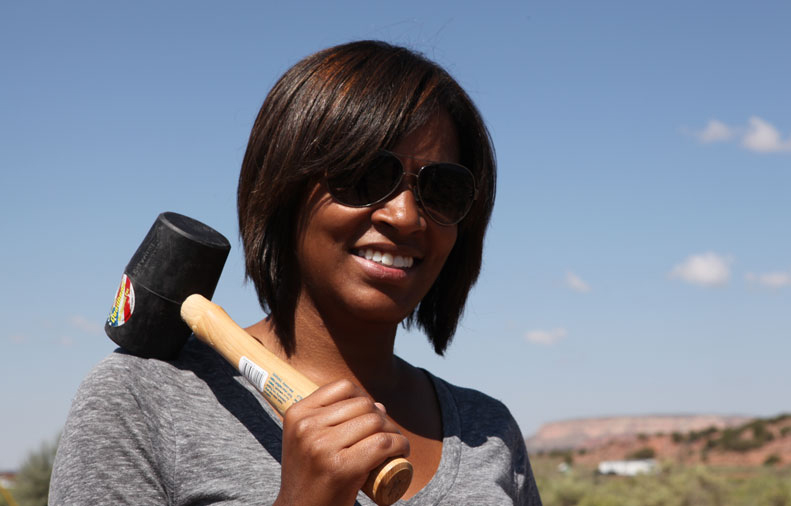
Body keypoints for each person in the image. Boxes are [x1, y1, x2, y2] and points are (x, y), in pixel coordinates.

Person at [50, 40, 541, 505]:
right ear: (283, 189)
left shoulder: (488, 432)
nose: (405, 216)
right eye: (367, 175)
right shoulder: (141, 401)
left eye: (443, 190)